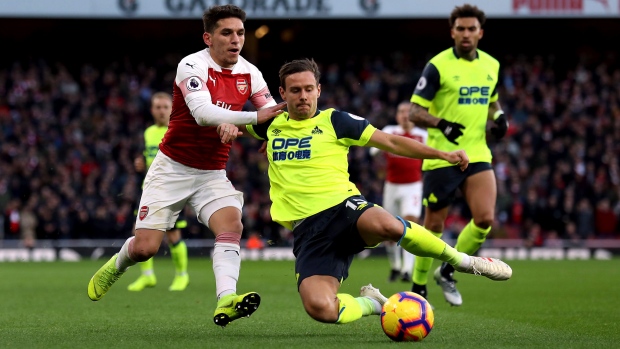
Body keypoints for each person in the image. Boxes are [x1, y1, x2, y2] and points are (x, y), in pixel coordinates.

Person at [234, 58, 511, 325]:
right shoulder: (270, 124)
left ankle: (462, 261)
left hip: (344, 209)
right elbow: (226, 123)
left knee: (386, 224)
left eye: (309, 89)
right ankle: (374, 304)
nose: (303, 96)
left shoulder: (336, 121)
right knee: (320, 309)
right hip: (308, 231)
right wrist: (226, 124)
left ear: (319, 89)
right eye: (295, 90)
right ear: (282, 93)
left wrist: (442, 153)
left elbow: (391, 141)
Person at [87, 4, 287, 328]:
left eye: (240, 33)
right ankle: (119, 263)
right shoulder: (191, 64)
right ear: (208, 37)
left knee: (231, 226)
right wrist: (250, 119)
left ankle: (226, 299)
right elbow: (203, 113)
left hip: (211, 172)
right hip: (172, 168)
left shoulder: (250, 73)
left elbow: (269, 118)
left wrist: (256, 130)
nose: (235, 39)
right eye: (226, 33)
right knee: (146, 249)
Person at [408, 4, 509, 306]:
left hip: (478, 153)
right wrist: (441, 123)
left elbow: (492, 100)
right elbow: (414, 111)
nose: (466, 34)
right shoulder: (437, 65)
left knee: (485, 218)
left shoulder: (491, 65)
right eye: (461, 29)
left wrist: (500, 115)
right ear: (452, 32)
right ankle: (418, 283)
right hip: (442, 155)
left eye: (471, 29)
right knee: (434, 227)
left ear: (481, 33)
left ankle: (447, 270)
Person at [126, 92, 190, 292]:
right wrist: (140, 164)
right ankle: (147, 276)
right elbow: (147, 158)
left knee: (172, 234)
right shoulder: (148, 132)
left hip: (172, 190)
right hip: (149, 189)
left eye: (165, 107)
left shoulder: (178, 129)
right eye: (158, 107)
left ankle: (182, 275)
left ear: (172, 109)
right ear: (152, 110)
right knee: (139, 232)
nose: (161, 111)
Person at [369, 101, 427, 283]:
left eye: (407, 112)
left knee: (410, 225)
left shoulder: (422, 136)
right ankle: (395, 265)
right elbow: (373, 151)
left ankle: (407, 269)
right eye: (400, 111)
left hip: (413, 186)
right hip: (392, 186)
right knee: (389, 230)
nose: (404, 115)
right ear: (396, 115)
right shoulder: (390, 131)